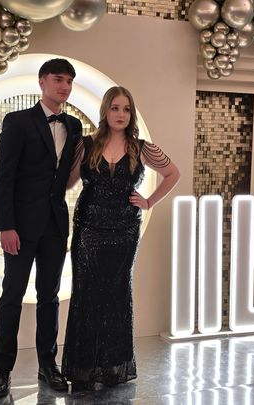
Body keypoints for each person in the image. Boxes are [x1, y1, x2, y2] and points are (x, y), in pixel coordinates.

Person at [61, 86, 180, 390]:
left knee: (117, 294)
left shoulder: (143, 148)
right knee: (86, 294)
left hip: (125, 230)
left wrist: (149, 201)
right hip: (88, 228)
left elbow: (173, 173)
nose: (121, 114)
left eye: (126, 109)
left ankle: (113, 367)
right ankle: (84, 367)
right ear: (105, 111)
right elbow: (67, 182)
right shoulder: (86, 144)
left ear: (131, 113)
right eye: (115, 108)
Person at [0, 58, 83, 398]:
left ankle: (48, 365)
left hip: (56, 225)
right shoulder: (18, 121)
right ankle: (3, 370)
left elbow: (68, 175)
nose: (64, 86)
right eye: (58, 79)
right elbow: (4, 177)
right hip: (20, 227)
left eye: (69, 81)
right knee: (12, 295)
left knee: (50, 297)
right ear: (42, 82)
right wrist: (6, 226)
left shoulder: (74, 126)